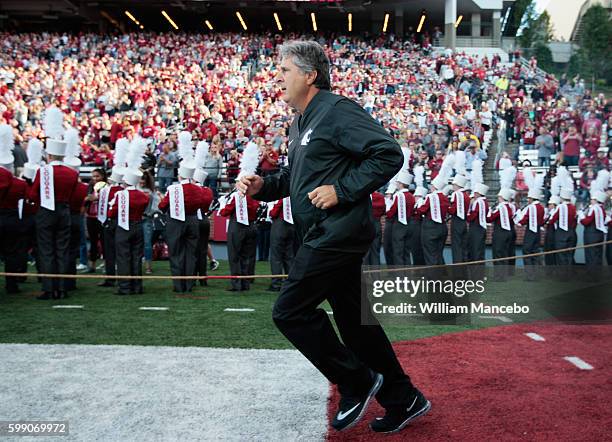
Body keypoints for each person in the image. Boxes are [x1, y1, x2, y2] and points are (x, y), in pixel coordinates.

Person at [237, 41, 428, 434]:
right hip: (324, 231)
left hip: (337, 233)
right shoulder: (299, 121)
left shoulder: (337, 110)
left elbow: (388, 153)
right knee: (356, 323)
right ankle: (403, 398)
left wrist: (341, 190)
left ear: (309, 75)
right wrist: (263, 186)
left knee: (289, 311)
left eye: (285, 70)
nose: (278, 77)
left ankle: (356, 382)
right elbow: (296, 179)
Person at [27, 127, 79, 300]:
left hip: (46, 212)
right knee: (62, 250)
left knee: (47, 250)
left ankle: (50, 289)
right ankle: (63, 288)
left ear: (49, 156)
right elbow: (72, 195)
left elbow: (33, 195)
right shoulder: (72, 173)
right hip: (64, 211)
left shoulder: (43, 171)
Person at [158, 160, 209, 293]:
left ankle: (179, 285)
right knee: (191, 254)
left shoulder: (173, 189)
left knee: (176, 253)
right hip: (193, 221)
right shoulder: (199, 189)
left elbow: (162, 206)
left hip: (176, 223)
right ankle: (189, 284)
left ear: (180, 175)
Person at [108, 153, 150, 296]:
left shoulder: (120, 195)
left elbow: (111, 214)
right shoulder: (143, 196)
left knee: (123, 257)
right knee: (136, 257)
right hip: (138, 226)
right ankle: (137, 286)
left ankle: (125, 287)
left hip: (123, 227)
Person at [219, 191, 259, 291]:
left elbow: (224, 212)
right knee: (245, 257)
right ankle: (245, 283)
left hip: (237, 228)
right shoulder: (254, 196)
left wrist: (222, 202)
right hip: (251, 227)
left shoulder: (236, 197)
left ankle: (236, 284)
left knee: (234, 256)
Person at [416, 175, 450, 266]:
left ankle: (432, 278)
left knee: (430, 254)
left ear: (434, 186)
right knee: (439, 254)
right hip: (442, 227)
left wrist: (419, 203)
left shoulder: (431, 197)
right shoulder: (445, 198)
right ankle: (441, 276)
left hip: (430, 228)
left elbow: (421, 210)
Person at [387, 171, 415, 265]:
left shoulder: (399, 195)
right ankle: (407, 273)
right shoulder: (411, 196)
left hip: (399, 225)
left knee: (398, 251)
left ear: (401, 184)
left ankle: (399, 275)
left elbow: (392, 212)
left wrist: (387, 210)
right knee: (406, 251)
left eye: (398, 183)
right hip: (410, 224)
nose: (397, 185)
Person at [267, 197, 296, 291]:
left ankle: (276, 283)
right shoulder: (294, 194)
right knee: (289, 256)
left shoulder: (281, 197)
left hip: (280, 225)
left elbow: (273, 213)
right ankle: (290, 282)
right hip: (292, 226)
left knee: (276, 256)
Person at [192, 167, 214, 286]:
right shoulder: (208, 191)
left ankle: (193, 276)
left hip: (194, 220)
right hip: (205, 220)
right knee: (203, 249)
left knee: (194, 250)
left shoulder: (193, 190)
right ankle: (203, 277)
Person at [517, 187, 545, 280]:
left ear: (532, 198)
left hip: (531, 231)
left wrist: (519, 222)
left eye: (529, 198)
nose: (527, 200)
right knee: (535, 252)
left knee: (527, 251)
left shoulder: (532, 207)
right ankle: (536, 274)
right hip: (537, 232)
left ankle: (530, 275)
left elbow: (526, 219)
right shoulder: (541, 207)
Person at [488, 188, 515, 280]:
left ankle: (499, 275)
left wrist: (489, 211)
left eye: (499, 197)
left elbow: (490, 218)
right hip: (507, 232)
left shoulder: (500, 207)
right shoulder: (509, 207)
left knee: (498, 253)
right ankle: (503, 274)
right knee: (504, 254)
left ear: (502, 197)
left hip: (500, 232)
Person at [83, 168, 107, 273]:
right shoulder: (90, 187)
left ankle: (107, 265)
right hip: (91, 217)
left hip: (103, 217)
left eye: (97, 176)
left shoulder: (107, 187)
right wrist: (86, 200)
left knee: (104, 241)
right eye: (93, 176)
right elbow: (86, 200)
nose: (95, 178)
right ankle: (91, 265)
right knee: (92, 242)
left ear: (103, 176)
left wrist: (97, 198)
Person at [548, 189, 577, 266]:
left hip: (561, 233)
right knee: (569, 255)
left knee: (561, 255)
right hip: (571, 232)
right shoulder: (573, 207)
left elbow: (552, 220)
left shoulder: (560, 207)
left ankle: (562, 275)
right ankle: (569, 274)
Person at [579, 191, 608, 266]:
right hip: (599, 235)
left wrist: (581, 215)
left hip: (591, 235)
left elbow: (586, 222)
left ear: (596, 200)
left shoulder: (594, 209)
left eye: (592, 199)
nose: (591, 201)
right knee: (598, 256)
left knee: (591, 256)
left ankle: (592, 275)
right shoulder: (601, 209)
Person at [448, 174, 469, 263]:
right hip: (463, 222)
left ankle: (457, 269)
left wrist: (447, 208)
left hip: (457, 221)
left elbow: (453, 210)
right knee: (463, 245)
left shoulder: (457, 194)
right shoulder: (466, 195)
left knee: (456, 245)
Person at [466, 183, 489, 263]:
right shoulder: (485, 202)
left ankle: (476, 273)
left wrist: (468, 213)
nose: (474, 195)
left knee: (475, 251)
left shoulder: (478, 202)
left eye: (475, 193)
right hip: (481, 228)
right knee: (479, 251)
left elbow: (473, 216)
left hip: (476, 228)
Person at [363, 190, 385, 265]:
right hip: (377, 224)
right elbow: (383, 211)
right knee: (375, 252)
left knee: (366, 253)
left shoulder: (365, 197)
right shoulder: (381, 197)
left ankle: (365, 275)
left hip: (367, 225)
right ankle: (376, 276)